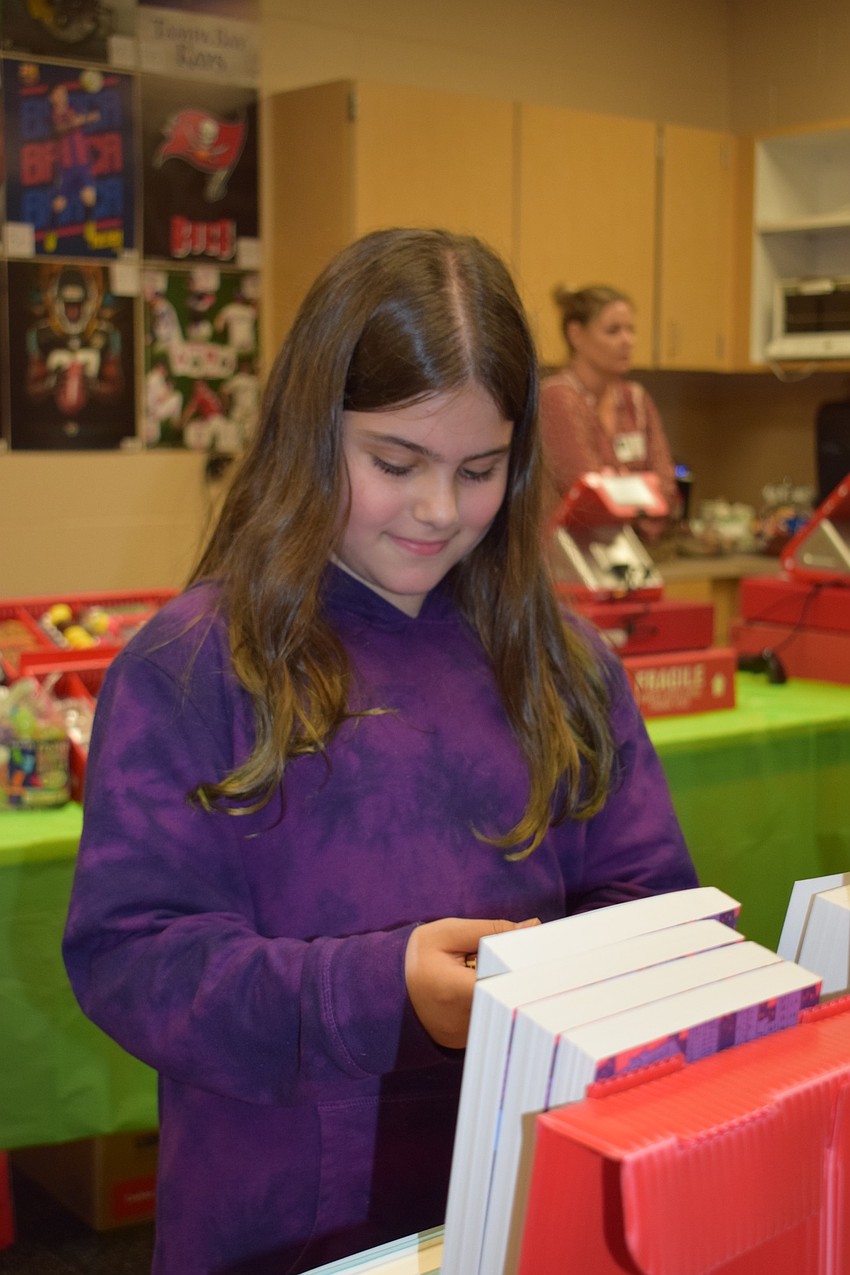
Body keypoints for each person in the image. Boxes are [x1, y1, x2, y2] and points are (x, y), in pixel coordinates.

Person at [62, 228, 698, 1275]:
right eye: (394, 463)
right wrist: (377, 990)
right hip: (281, 1216)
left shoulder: (564, 663)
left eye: (479, 469)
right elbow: (133, 958)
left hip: (521, 1187)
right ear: (312, 435)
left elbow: (649, 899)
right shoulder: (195, 664)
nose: (439, 510)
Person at [540, 285, 679, 537]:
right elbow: (589, 494)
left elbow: (666, 487)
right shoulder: (558, 398)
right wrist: (639, 491)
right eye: (613, 331)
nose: (627, 340)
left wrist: (618, 486)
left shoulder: (635, 399)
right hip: (567, 556)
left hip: (633, 549)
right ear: (576, 335)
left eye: (631, 330)